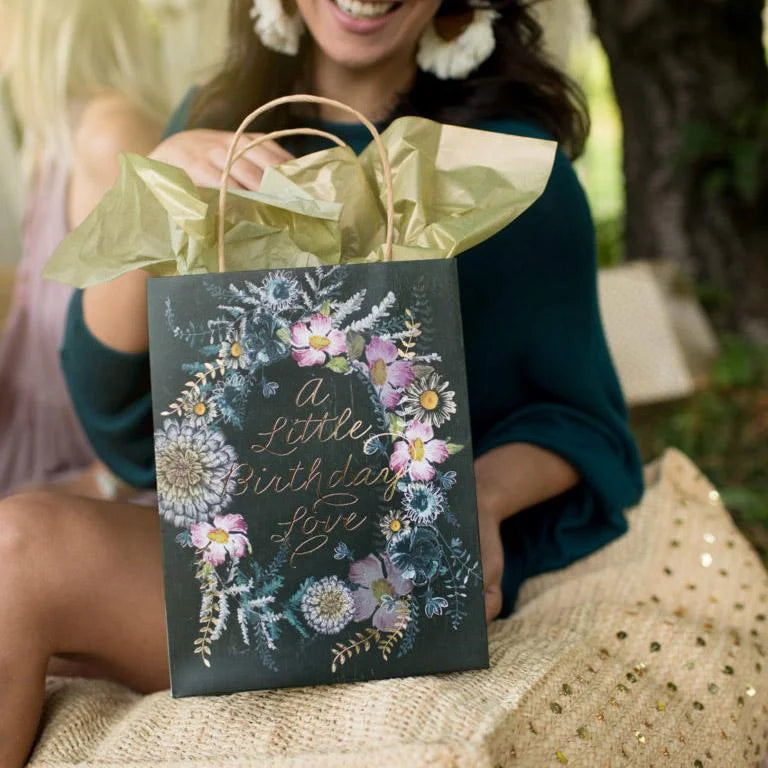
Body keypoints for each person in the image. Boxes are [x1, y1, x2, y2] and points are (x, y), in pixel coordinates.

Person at [0, 1, 645, 765]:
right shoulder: (216, 126)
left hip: (403, 573)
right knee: (17, 548)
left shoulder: (504, 162)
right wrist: (157, 191)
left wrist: (485, 498)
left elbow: (576, 419)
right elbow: (117, 411)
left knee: (19, 554)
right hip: (234, 560)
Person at [0, 0, 168, 497]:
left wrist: (100, 484)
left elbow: (152, 363)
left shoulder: (110, 133)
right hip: (29, 434)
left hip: (79, 470)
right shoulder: (53, 133)